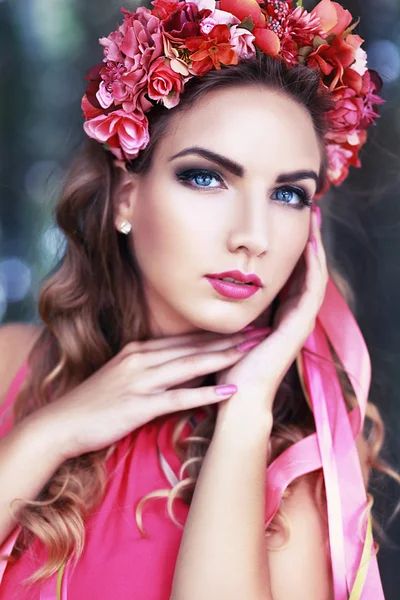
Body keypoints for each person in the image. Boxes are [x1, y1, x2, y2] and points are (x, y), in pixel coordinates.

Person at [0, 1, 394, 598]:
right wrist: (48, 434)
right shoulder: (11, 367)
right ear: (127, 197)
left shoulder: (296, 473)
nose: (252, 237)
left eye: (288, 194)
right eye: (207, 177)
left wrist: (248, 405)